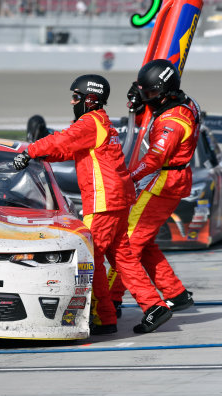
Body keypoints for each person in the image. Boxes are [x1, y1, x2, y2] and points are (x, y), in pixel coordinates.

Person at [13, 74, 172, 334]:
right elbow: (65, 150)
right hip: (117, 200)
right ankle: (154, 307)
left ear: (89, 99)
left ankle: (103, 316)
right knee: (123, 258)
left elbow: (60, 141)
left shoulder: (89, 122)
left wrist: (28, 151)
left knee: (90, 258)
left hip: (103, 203)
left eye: (76, 96)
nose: (72, 101)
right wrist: (39, 155)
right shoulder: (100, 123)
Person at [109, 59, 198, 314]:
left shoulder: (172, 122)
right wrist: (139, 106)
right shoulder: (184, 101)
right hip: (171, 180)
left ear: (166, 93)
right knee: (143, 241)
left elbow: (154, 159)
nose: (147, 98)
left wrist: (128, 177)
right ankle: (175, 293)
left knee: (127, 243)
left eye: (150, 94)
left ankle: (111, 299)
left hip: (163, 184)